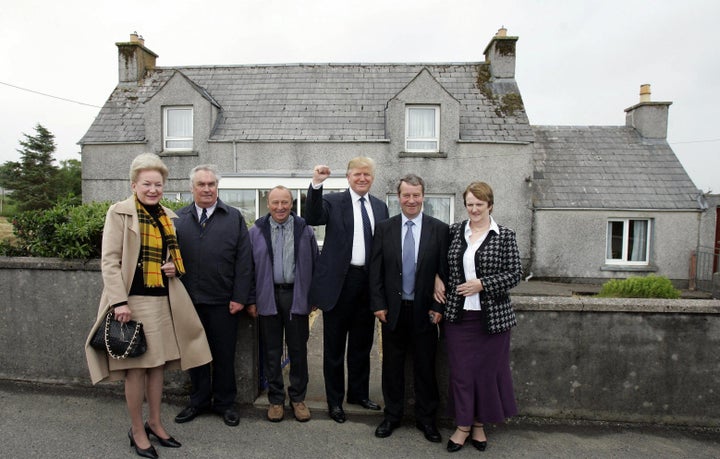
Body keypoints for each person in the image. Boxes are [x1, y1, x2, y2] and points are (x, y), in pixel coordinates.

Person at [85, 153, 212, 459]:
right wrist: (119, 302)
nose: (153, 189)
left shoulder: (167, 216)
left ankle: (155, 422)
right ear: (134, 184)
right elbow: (110, 261)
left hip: (162, 300)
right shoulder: (120, 213)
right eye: (147, 183)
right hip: (132, 302)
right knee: (135, 370)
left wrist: (172, 267)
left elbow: (171, 257)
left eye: (158, 183)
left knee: (157, 367)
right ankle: (137, 430)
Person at [434, 181, 522, 453]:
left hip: (492, 320)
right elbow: (439, 261)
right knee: (461, 374)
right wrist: (437, 278)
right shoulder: (454, 232)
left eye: (479, 205)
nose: (474, 209)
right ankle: (462, 427)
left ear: (490, 205)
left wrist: (482, 284)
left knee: (486, 375)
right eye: (470, 204)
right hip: (459, 318)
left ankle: (479, 426)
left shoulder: (504, 235)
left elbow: (515, 273)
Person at [304, 157, 389, 423]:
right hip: (339, 285)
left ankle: (358, 394)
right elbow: (313, 217)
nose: (362, 178)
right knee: (334, 349)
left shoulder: (380, 207)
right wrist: (316, 184)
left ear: (372, 178)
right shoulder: (333, 201)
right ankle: (334, 401)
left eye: (367, 174)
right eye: (357, 174)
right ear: (348, 177)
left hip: (367, 284)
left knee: (362, 346)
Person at [369, 174, 449, 443]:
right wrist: (378, 304)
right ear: (398, 197)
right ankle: (392, 416)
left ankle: (427, 420)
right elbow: (375, 271)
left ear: (423, 196)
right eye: (406, 195)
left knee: (426, 367)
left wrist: (439, 305)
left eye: (416, 195)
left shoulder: (439, 229)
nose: (411, 200)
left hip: (425, 311)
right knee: (392, 367)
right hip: (393, 311)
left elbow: (445, 272)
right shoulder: (384, 228)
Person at [173, 165, 253, 427]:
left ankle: (225, 403)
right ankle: (198, 401)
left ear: (217, 187)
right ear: (192, 188)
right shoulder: (178, 218)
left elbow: (244, 261)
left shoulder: (233, 217)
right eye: (201, 184)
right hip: (188, 301)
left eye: (211, 184)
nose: (207, 189)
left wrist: (240, 296)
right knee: (194, 354)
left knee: (224, 355)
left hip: (223, 301)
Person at [247, 186, 319, 422]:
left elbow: (316, 265)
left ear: (292, 203)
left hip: (296, 295)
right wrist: (251, 299)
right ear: (268, 204)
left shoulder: (305, 229)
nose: (280, 207)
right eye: (275, 202)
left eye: (285, 202)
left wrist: (314, 298)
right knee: (272, 351)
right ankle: (276, 400)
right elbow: (247, 269)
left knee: (298, 350)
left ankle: (297, 398)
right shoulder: (255, 231)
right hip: (268, 295)